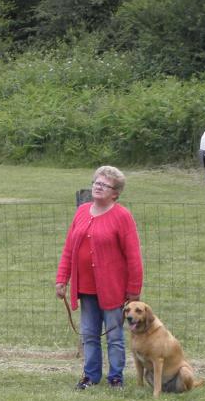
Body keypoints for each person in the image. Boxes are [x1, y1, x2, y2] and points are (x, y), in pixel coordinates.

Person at [55, 165, 144, 389]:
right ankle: (90, 376)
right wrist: (61, 279)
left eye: (105, 185)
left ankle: (116, 377)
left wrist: (134, 290)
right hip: (85, 288)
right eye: (97, 182)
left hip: (113, 289)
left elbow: (134, 256)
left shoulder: (122, 216)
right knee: (89, 334)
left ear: (115, 193)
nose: (98, 186)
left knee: (114, 337)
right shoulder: (82, 211)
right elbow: (69, 249)